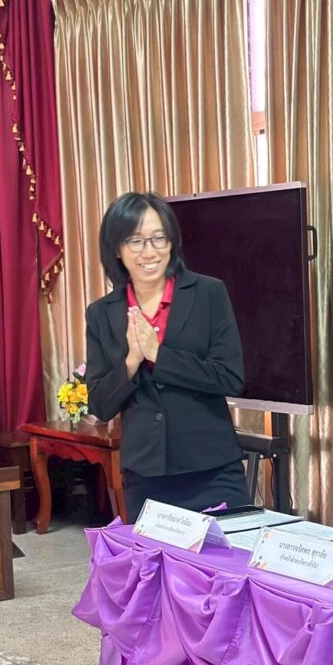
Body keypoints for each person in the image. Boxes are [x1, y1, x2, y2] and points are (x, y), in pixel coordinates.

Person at [85, 191, 251, 523]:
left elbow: (230, 377)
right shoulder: (102, 313)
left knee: (229, 555)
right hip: (146, 475)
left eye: (158, 238)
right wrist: (132, 362)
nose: (149, 252)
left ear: (172, 242)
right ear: (117, 249)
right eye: (135, 241)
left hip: (213, 468)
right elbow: (100, 405)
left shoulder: (208, 293)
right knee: (156, 559)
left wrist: (159, 355)